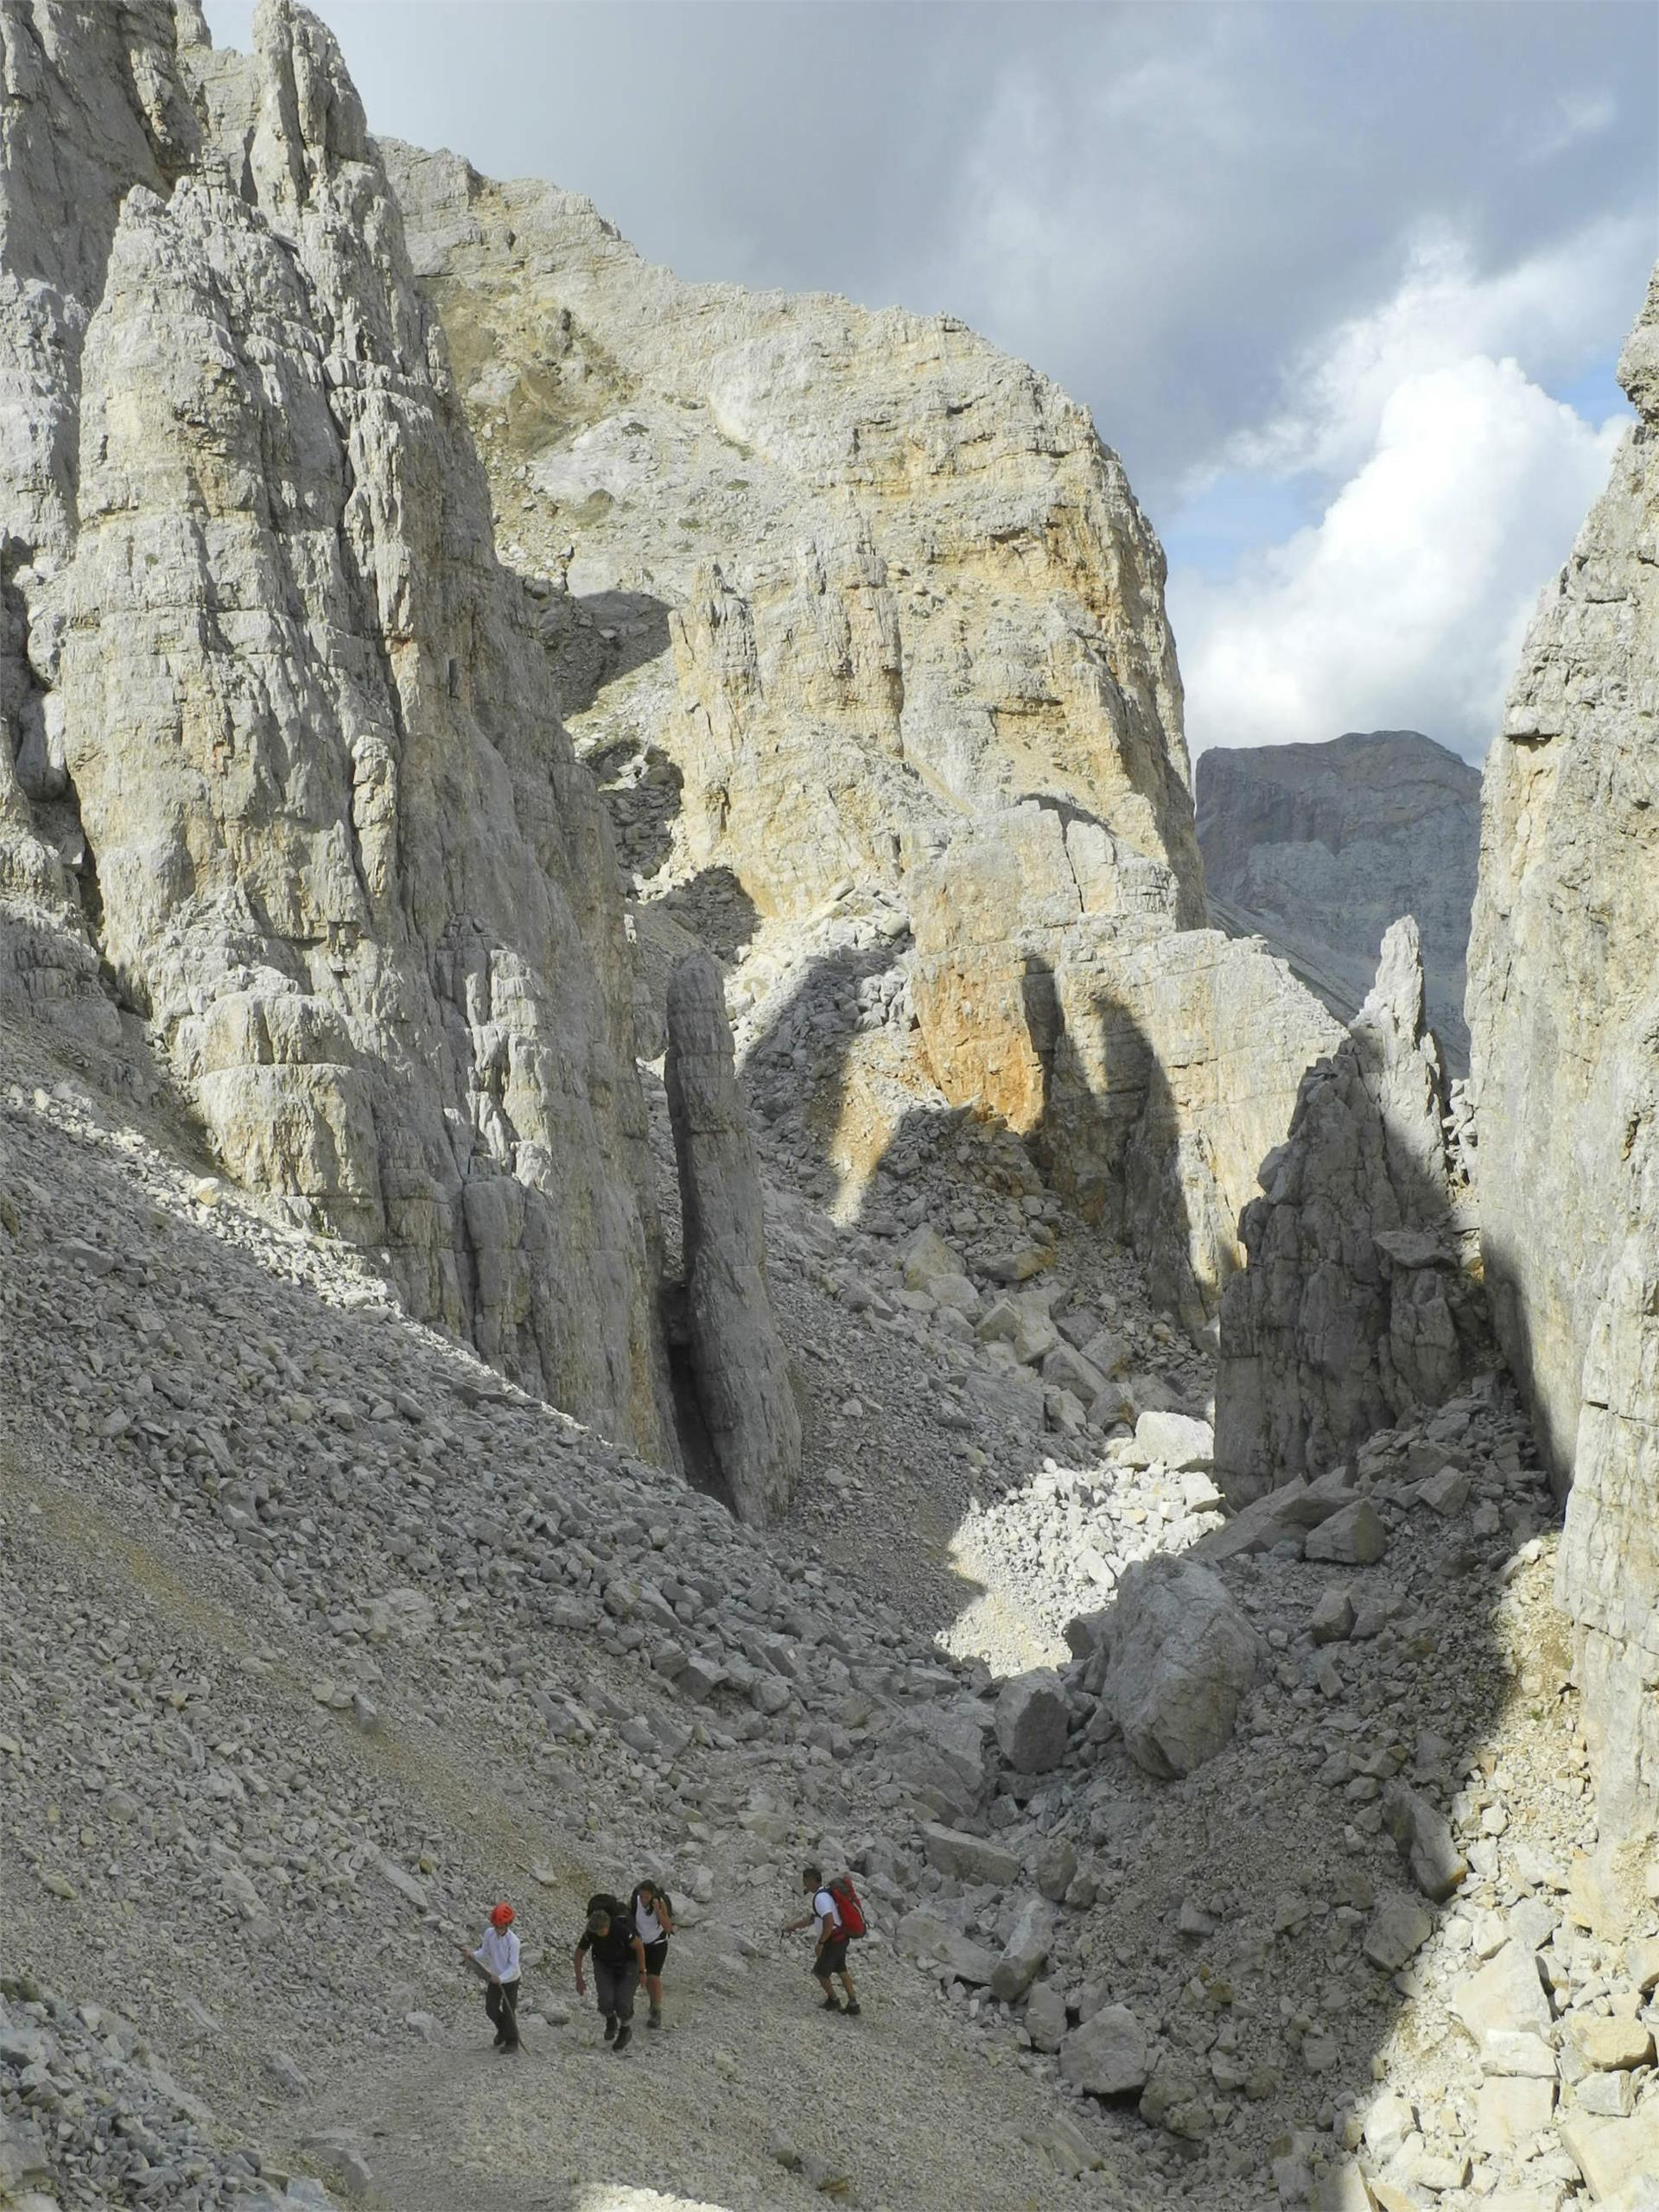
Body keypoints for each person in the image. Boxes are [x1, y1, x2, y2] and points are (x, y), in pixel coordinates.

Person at [574, 1893, 648, 2053]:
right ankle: (611, 2020)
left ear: (607, 1925)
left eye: (601, 1931)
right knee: (605, 2000)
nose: (599, 1934)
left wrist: (642, 1972)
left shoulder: (620, 1929)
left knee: (623, 2001)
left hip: (628, 1964)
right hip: (604, 1964)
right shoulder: (592, 1932)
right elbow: (579, 1953)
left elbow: (639, 1947)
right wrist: (579, 1980)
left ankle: (625, 2029)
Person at [782, 1865, 860, 2017]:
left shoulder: (820, 1898)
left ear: (811, 1880)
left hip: (832, 1940)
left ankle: (833, 2000)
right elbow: (813, 1918)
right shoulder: (825, 1894)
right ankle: (853, 2004)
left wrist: (821, 1943)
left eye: (805, 1881)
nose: (804, 1885)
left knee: (820, 1973)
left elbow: (829, 1921)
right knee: (841, 1970)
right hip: (841, 1938)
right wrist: (793, 1926)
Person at [459, 1901, 521, 2052]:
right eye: (496, 1926)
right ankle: (503, 2031)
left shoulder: (514, 1941)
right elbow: (484, 1952)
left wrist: (501, 1978)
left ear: (508, 1924)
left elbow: (513, 1966)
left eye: (501, 1926)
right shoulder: (489, 1933)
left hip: (511, 1980)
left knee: (508, 2010)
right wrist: (472, 1954)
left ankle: (512, 2042)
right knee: (490, 2009)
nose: (498, 1929)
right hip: (494, 1977)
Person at [630, 1878, 675, 2029]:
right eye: (642, 1896)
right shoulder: (635, 1901)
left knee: (653, 1977)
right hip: (641, 1944)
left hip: (658, 1944)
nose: (643, 1900)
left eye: (646, 1897)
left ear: (652, 1896)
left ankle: (656, 2010)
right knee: (641, 1975)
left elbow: (668, 1928)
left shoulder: (660, 1903)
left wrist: (658, 1911)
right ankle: (652, 2002)